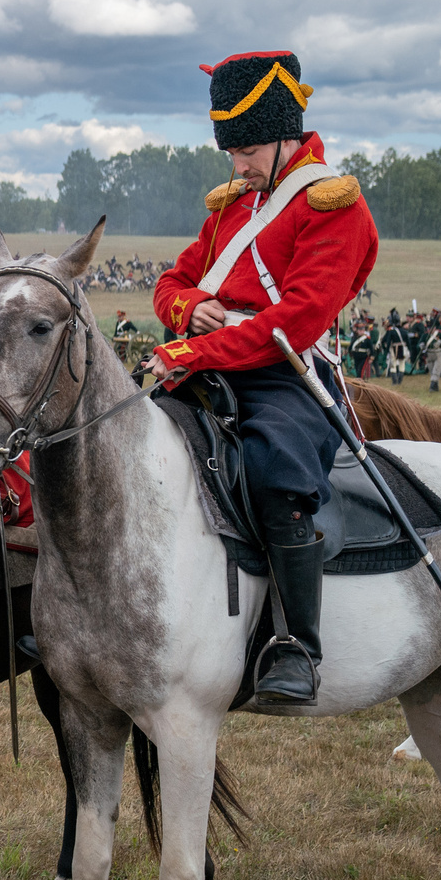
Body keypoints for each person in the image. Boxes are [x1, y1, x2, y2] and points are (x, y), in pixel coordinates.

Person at [151, 50, 378, 707]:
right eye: (232, 151)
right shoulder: (231, 207)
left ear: (285, 135)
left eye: (247, 150)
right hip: (210, 363)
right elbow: (172, 283)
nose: (239, 166)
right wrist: (192, 309)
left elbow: (296, 322)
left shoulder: (333, 205)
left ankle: (295, 645)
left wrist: (200, 349)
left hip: (286, 376)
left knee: (276, 469)